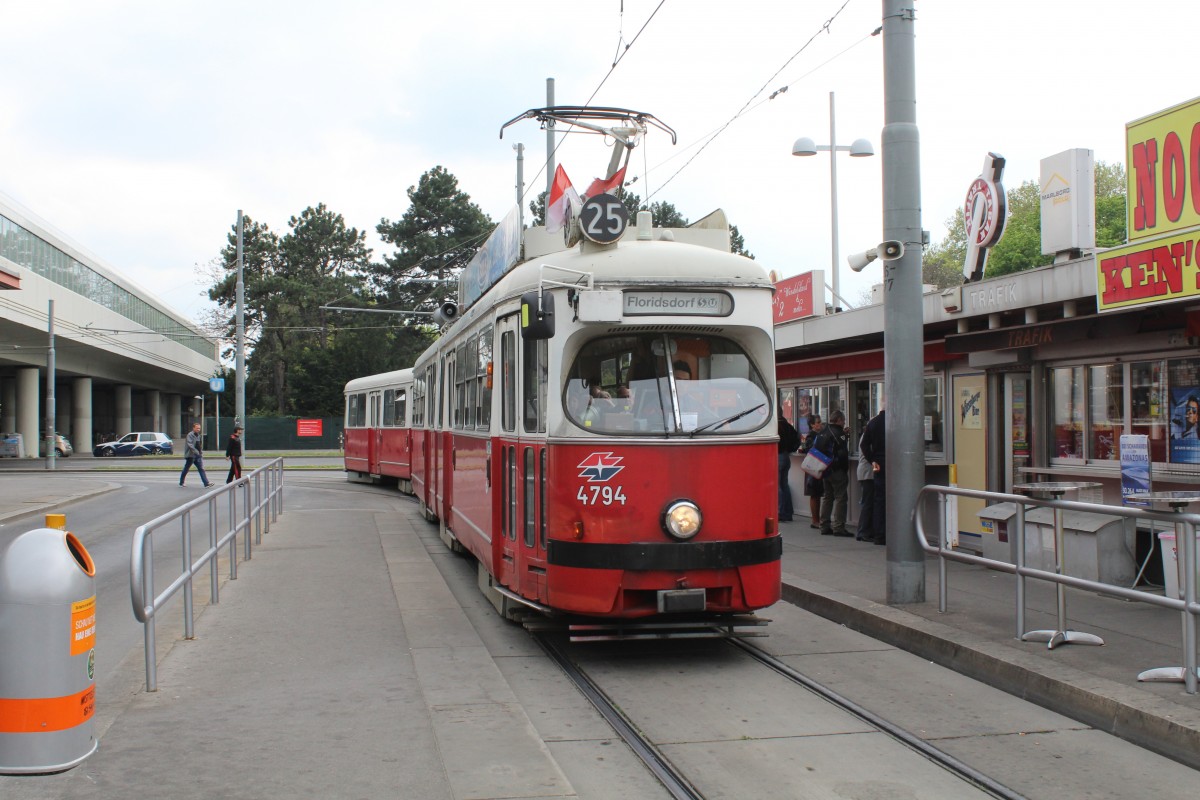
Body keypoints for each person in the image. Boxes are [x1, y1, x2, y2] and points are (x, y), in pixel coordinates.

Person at [815, 410, 852, 537]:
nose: (844, 423)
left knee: (827, 497)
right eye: (843, 420)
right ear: (839, 420)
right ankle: (839, 527)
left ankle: (824, 525)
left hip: (825, 468)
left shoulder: (823, 431)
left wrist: (844, 435)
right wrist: (844, 469)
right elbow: (842, 453)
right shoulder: (839, 433)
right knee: (841, 498)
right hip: (837, 470)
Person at [861, 409, 886, 545]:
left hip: (879, 464)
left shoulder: (873, 423)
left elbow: (864, 444)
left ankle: (879, 534)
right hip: (894, 464)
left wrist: (873, 460)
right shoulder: (896, 422)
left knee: (879, 500)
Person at [800, 413, 823, 528]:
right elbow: (808, 449)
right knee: (814, 493)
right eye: (818, 422)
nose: (821, 424)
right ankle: (815, 520)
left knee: (817, 493)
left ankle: (817, 519)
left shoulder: (819, 435)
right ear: (812, 425)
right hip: (812, 467)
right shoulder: (811, 436)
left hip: (816, 467)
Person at [778, 415, 801, 522]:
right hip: (786, 456)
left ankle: (780, 512)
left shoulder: (776, 426)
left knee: (777, 487)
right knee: (784, 485)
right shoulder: (787, 425)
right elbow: (797, 437)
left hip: (777, 456)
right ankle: (788, 512)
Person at [855, 430, 875, 541]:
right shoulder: (869, 436)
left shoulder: (865, 435)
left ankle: (865, 530)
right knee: (868, 503)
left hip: (865, 472)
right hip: (868, 473)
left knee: (867, 502)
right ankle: (863, 531)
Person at [179, 422, 213, 488]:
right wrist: (196, 452)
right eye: (197, 428)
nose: (198, 429)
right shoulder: (190, 435)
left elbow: (199, 444)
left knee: (201, 469)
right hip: (191, 455)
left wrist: (200, 452)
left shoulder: (198, 435)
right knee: (186, 469)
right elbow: (190, 445)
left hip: (197, 455)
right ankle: (181, 482)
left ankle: (206, 483)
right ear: (193, 428)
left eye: (199, 428)